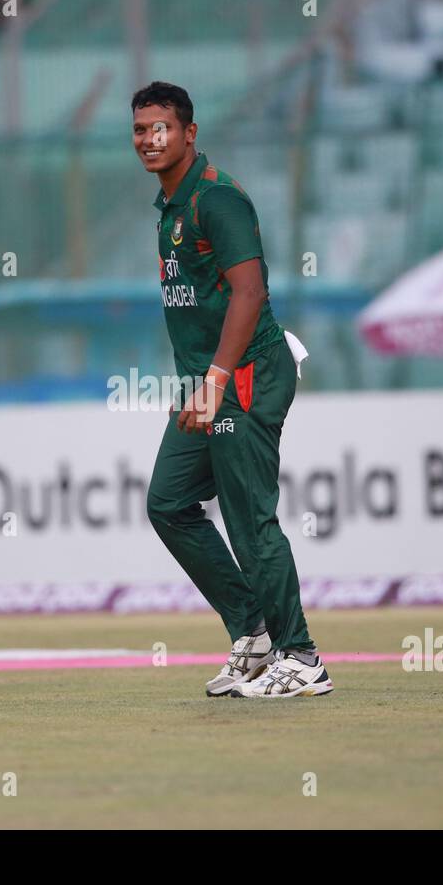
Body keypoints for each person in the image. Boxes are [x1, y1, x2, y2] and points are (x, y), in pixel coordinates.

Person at [132, 81, 330, 698]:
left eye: (162, 127)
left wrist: (215, 379)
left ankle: (301, 658)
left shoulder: (216, 200)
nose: (150, 139)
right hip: (209, 381)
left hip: (244, 376)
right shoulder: (171, 206)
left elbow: (250, 293)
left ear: (189, 134)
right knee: (167, 503)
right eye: (140, 130)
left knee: (249, 521)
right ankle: (254, 636)